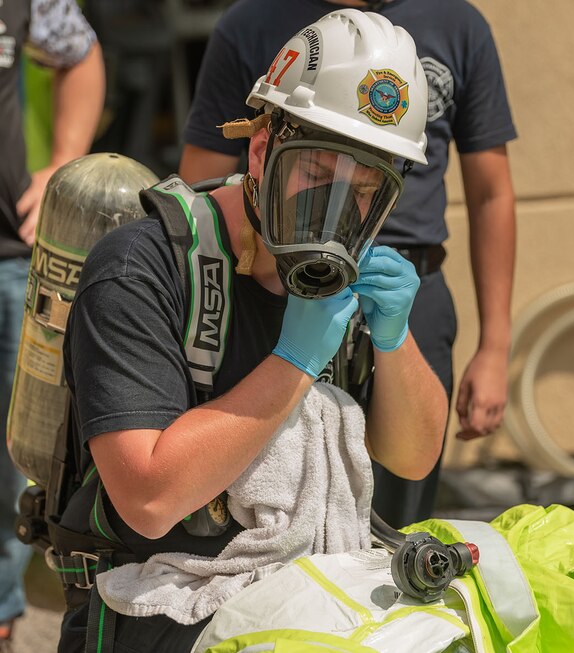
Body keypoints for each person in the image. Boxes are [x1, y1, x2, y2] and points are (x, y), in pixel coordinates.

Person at [56, 10, 447, 652]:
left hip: (308, 605)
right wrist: (294, 361)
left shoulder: (358, 275)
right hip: (153, 613)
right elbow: (148, 498)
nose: (335, 211)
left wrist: (395, 339)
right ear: (262, 150)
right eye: (316, 177)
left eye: (365, 191)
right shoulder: (140, 266)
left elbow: (412, 456)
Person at [180, 0, 517, 528]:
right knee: (266, 487)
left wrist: (495, 347)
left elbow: (491, 192)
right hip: (275, 278)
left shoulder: (457, 24)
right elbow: (201, 179)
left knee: (398, 511)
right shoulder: (253, 23)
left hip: (401, 285)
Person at [0, 0, 104, 647]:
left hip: (8, 256)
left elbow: (80, 54)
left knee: (14, 455)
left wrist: (66, 157)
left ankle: (3, 606)